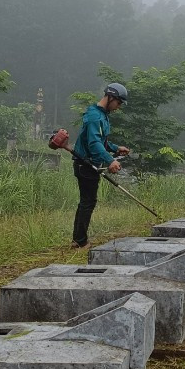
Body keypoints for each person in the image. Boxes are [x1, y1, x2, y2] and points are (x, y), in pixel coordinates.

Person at [70, 83, 130, 249]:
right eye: (118, 103)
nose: (118, 107)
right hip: (85, 164)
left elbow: (102, 141)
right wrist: (110, 160)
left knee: (86, 201)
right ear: (110, 97)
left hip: (90, 164)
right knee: (88, 201)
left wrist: (116, 148)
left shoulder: (101, 115)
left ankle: (78, 239)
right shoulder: (95, 117)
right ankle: (81, 241)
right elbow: (94, 143)